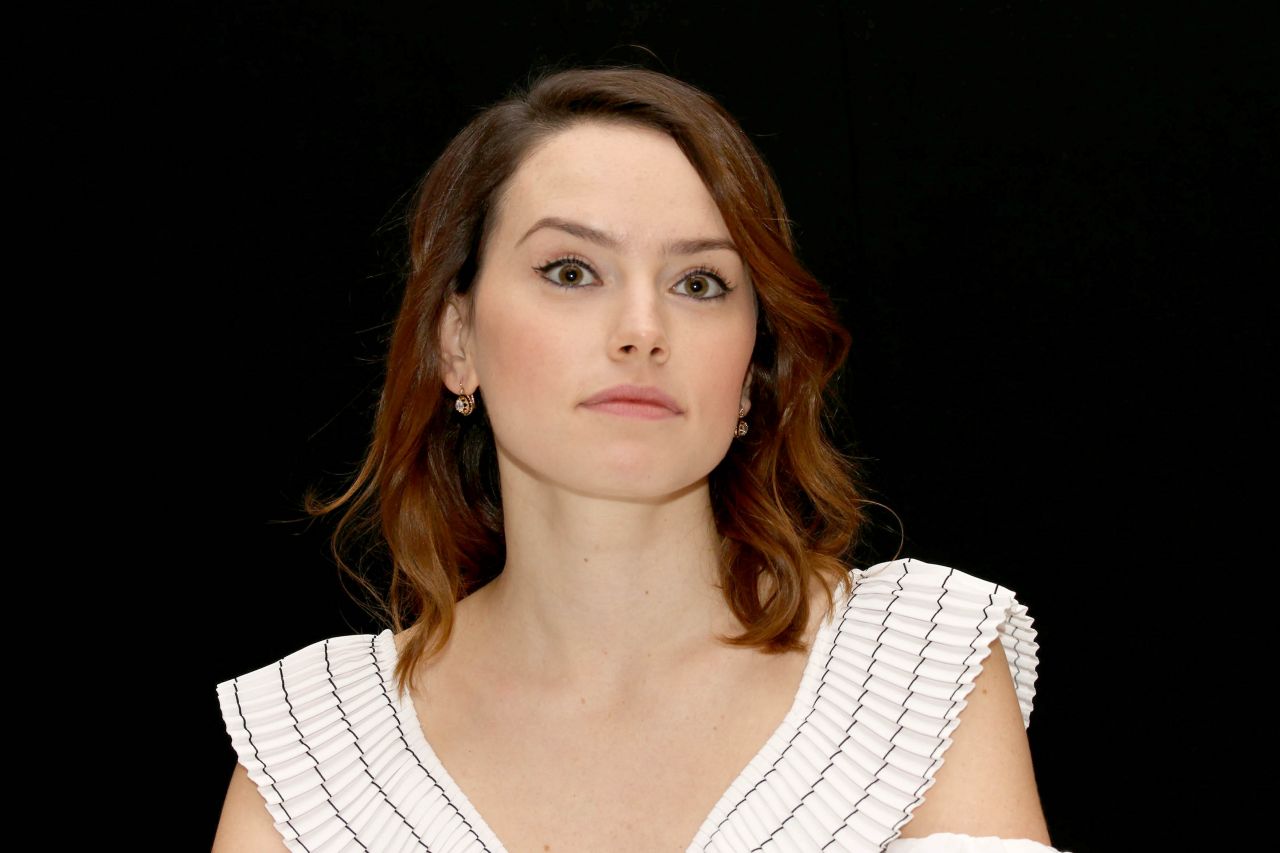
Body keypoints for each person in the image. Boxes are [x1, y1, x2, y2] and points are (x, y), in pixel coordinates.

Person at [212, 65, 1068, 853]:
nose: (642, 331)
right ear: (457, 339)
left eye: (699, 283)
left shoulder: (917, 669)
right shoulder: (312, 756)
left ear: (752, 370)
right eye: (571, 271)